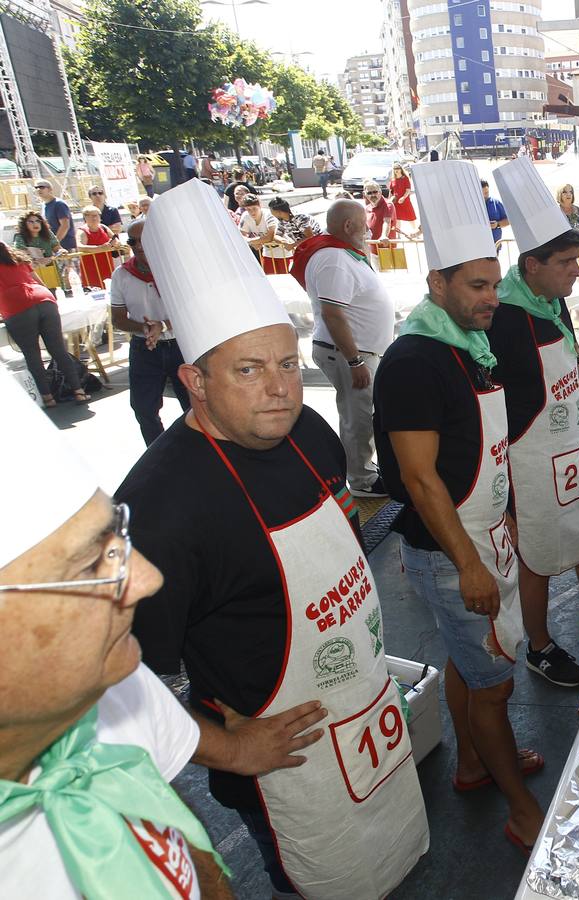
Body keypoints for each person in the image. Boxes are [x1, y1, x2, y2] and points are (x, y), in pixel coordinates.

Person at [121, 180, 428, 899]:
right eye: (249, 371)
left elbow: (343, 539)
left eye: (287, 364)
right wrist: (228, 748)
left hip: (367, 709)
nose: (280, 390)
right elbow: (122, 685)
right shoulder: (159, 508)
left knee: (395, 867)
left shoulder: (310, 434)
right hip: (281, 766)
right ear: (194, 380)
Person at [0, 375, 234, 899]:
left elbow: (176, 832)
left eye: (117, 535)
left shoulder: (108, 676)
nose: (147, 579)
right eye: (89, 564)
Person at [372, 159, 543, 851]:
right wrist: (469, 563)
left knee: (473, 670)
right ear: (435, 281)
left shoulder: (468, 347)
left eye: (494, 285)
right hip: (451, 553)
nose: (490, 299)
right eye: (475, 286)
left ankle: (473, 763)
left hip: (481, 535)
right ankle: (519, 806)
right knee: (495, 687)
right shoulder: (414, 360)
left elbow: (475, 452)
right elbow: (419, 480)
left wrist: (503, 516)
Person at [489, 156, 579, 688]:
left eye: (576, 259)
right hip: (530, 459)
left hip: (571, 446)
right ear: (532, 266)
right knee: (536, 557)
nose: (577, 271)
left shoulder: (552, 305)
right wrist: (507, 500)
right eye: (566, 262)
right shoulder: (503, 319)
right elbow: (495, 409)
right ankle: (539, 646)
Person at [291, 199, 395, 498]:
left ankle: (365, 471)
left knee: (362, 413)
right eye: (365, 223)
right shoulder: (334, 258)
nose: (369, 228)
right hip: (350, 353)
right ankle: (362, 480)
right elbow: (333, 314)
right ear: (348, 225)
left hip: (358, 351)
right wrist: (354, 361)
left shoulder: (341, 253)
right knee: (358, 416)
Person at [110, 219, 189, 444]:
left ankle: (199, 454)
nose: (138, 245)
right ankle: (158, 453)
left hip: (180, 345)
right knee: (144, 409)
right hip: (144, 347)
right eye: (132, 241)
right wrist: (144, 328)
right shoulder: (121, 275)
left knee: (194, 406)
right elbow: (118, 319)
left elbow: (189, 310)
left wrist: (161, 326)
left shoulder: (177, 269)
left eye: (143, 239)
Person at [0, 242, 84, 405]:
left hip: (16, 306)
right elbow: (39, 282)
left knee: (32, 354)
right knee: (58, 349)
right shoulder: (19, 260)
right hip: (43, 298)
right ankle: (79, 391)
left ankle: (47, 397)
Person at [14, 208, 70, 297]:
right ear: (24, 224)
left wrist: (61, 251)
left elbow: (57, 247)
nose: (35, 223)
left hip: (49, 270)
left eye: (37, 221)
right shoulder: (20, 237)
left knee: (51, 295)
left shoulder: (48, 233)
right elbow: (20, 253)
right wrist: (37, 260)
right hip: (32, 274)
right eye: (31, 222)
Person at [74, 206, 118, 292]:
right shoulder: (82, 231)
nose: (94, 218)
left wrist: (114, 244)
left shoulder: (104, 227)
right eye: (90, 215)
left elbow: (115, 240)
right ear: (85, 217)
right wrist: (99, 248)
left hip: (107, 265)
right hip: (91, 268)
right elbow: (79, 247)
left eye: (96, 215)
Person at [236, 193, 277, 265]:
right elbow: (241, 236)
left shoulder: (268, 215)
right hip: (267, 253)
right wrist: (254, 243)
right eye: (248, 209)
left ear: (260, 206)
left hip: (283, 251)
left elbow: (270, 237)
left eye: (254, 208)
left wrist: (251, 241)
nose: (252, 212)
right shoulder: (245, 216)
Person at [35, 180, 75, 255]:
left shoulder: (59, 204)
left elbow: (65, 225)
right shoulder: (44, 205)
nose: (38, 189)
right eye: (36, 187)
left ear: (50, 189)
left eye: (42, 187)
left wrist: (55, 243)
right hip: (55, 248)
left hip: (66, 246)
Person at [483, 178, 510, 250]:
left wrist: (497, 224)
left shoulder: (496, 203)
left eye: (486, 193)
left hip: (495, 245)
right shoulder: (473, 205)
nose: (485, 196)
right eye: (482, 193)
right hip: (479, 245)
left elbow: (508, 220)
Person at [364, 180, 394, 244]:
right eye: (369, 193)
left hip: (386, 247)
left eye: (375, 192)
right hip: (371, 247)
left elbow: (387, 222)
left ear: (380, 192)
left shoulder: (388, 204)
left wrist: (384, 235)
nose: (372, 195)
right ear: (365, 194)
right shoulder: (367, 208)